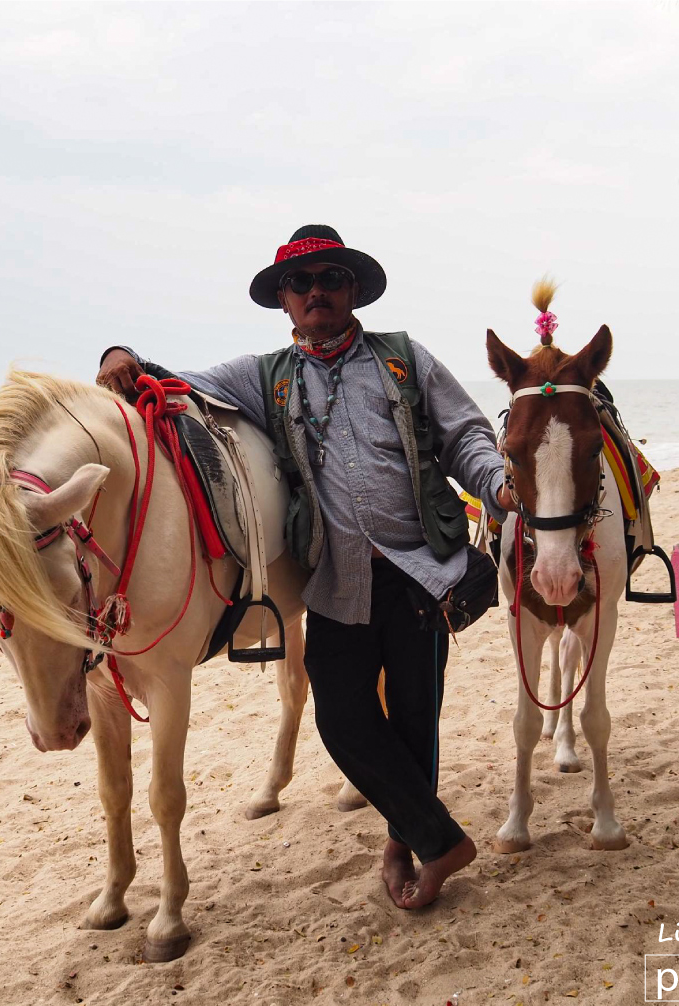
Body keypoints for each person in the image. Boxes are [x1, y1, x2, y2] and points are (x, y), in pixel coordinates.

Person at [97, 225, 513, 910]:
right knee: (342, 722)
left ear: (352, 289)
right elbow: (171, 383)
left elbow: (464, 432)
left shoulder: (404, 359)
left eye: (329, 279)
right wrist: (121, 354)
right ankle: (442, 842)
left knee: (414, 717)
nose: (315, 292)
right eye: (300, 283)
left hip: (420, 571)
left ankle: (406, 844)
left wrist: (496, 483)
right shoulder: (263, 377)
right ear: (283, 301)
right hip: (335, 581)